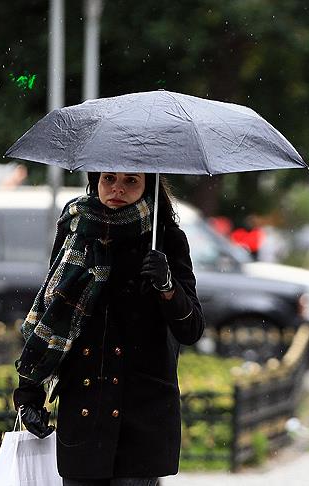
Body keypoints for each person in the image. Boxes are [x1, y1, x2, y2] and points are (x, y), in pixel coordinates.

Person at [12, 172, 205, 486]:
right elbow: (52, 315)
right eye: (109, 178)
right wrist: (28, 394)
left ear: (148, 186)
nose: (117, 189)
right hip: (85, 409)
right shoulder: (75, 230)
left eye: (131, 181)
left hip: (141, 416)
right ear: (95, 180)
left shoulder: (165, 238)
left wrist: (167, 285)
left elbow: (192, 328)